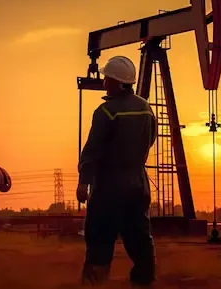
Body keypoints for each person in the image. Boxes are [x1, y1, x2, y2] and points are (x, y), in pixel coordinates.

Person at [77, 55, 158, 286]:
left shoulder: (106, 111)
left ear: (115, 82)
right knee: (139, 235)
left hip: (109, 186)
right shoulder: (145, 108)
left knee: (100, 235)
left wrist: (84, 181)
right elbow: (150, 139)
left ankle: (95, 282)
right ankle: (145, 280)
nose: (103, 82)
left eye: (106, 78)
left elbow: (92, 150)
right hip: (138, 183)